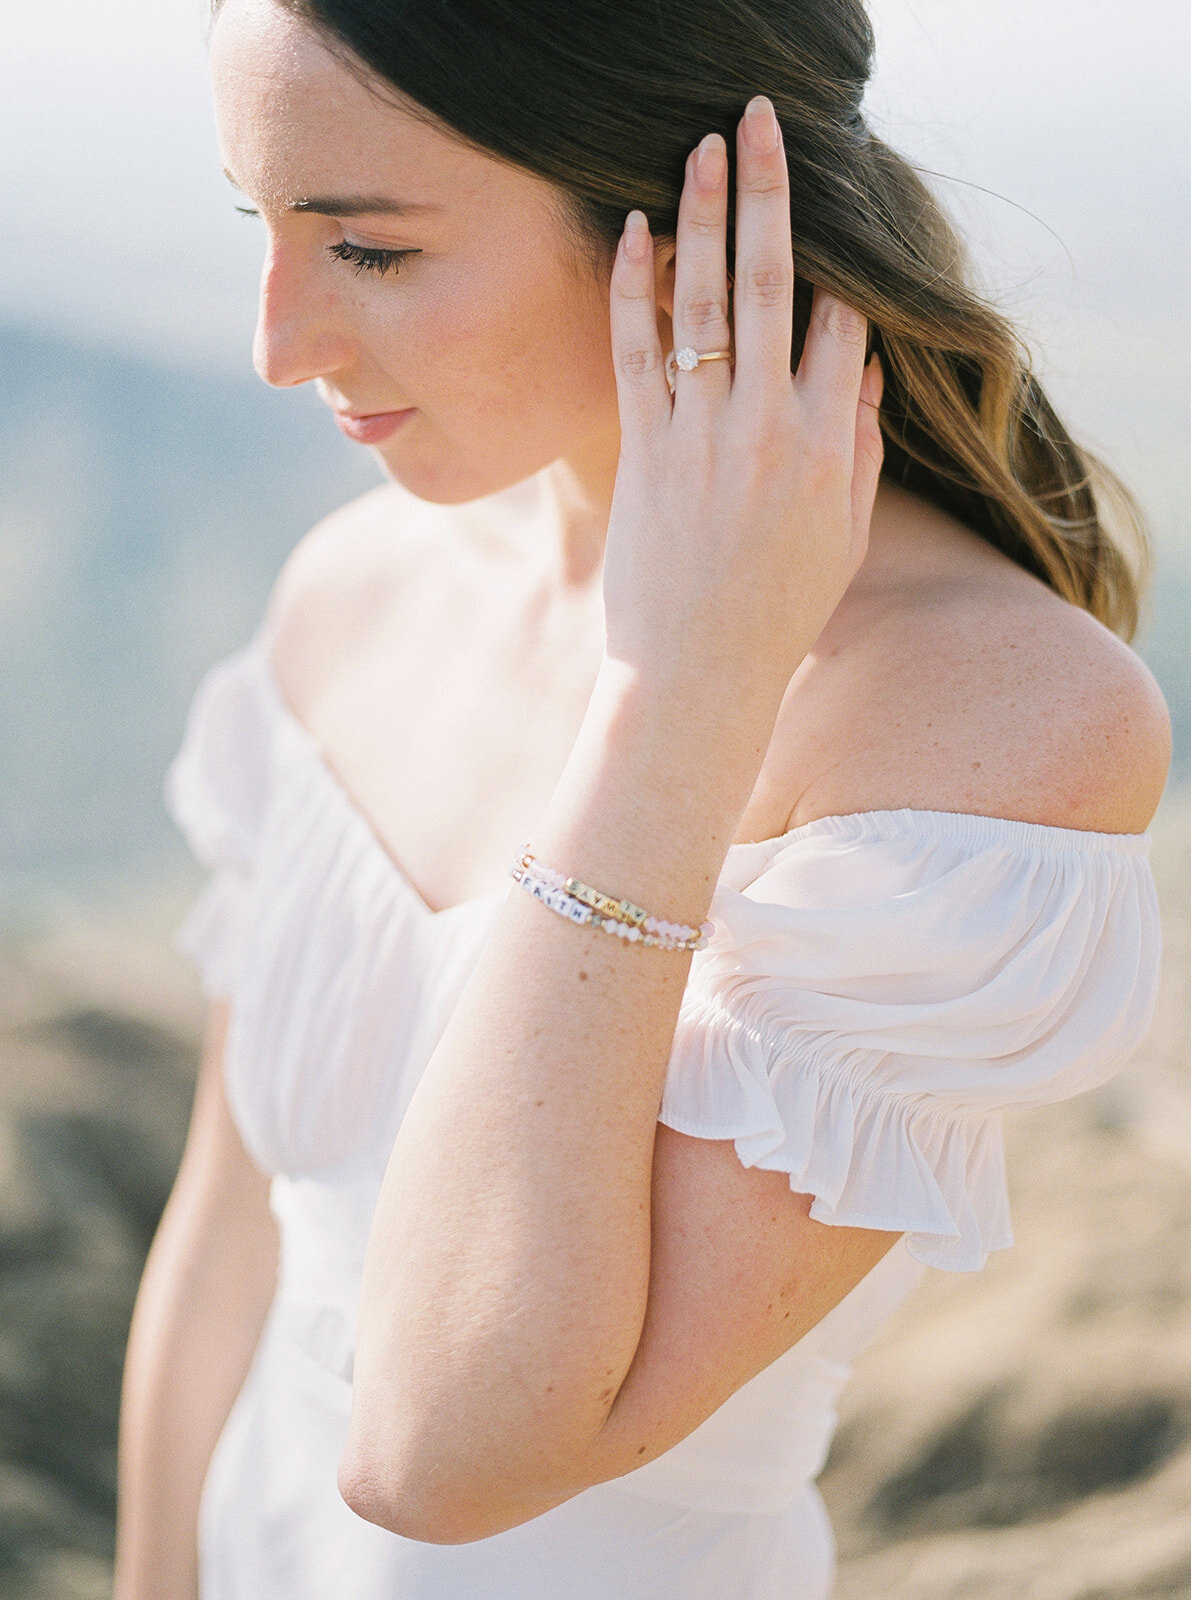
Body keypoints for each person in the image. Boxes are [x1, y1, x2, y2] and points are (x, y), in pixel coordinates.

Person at [112, 0, 1170, 1596]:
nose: (279, 347)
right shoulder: (349, 596)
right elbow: (223, 1244)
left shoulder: (994, 724)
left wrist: (679, 689)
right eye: (257, 226)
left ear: (681, 230)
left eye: (372, 253)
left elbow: (443, 1455)